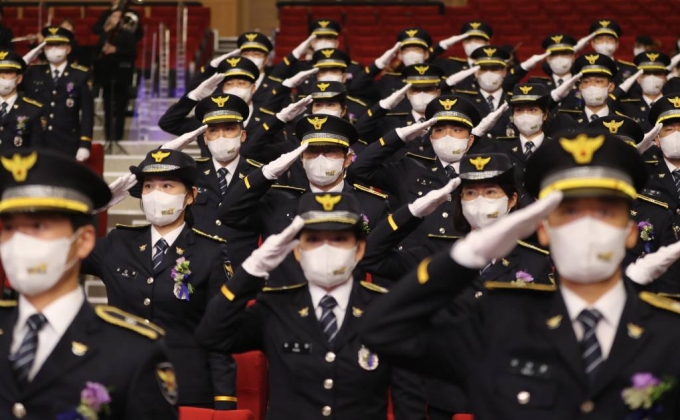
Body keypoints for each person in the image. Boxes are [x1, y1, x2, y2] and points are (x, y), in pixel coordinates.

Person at [361, 130, 680, 418]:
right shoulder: (503, 323)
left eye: (604, 212)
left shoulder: (671, 333)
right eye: (569, 212)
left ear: (630, 232)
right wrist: (467, 256)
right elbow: (384, 331)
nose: (586, 227)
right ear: (543, 230)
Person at [197, 192, 422, 420]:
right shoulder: (276, 306)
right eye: (313, 240)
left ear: (360, 249)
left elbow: (408, 402)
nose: (326, 249)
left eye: (339, 239)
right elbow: (213, 336)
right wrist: (251, 271)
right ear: (297, 250)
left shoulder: (386, 310)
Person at [361, 153, 552, 419]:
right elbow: (370, 257)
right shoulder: (438, 252)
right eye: (470, 193)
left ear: (511, 200)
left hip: (507, 397)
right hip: (442, 397)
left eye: (490, 192)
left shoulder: (535, 260)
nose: (479, 201)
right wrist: (414, 212)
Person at [0, 149, 177, 418]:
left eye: (38, 226)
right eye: (8, 228)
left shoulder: (133, 350)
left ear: (83, 241)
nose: (19, 242)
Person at [81, 149, 238, 410]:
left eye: (167, 186)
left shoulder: (209, 253)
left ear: (190, 196)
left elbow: (219, 334)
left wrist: (224, 403)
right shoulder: (118, 243)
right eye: (149, 186)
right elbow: (61, 257)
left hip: (185, 389)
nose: (156, 194)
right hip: (120, 383)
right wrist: (86, 211)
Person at [218, 115, 390, 286]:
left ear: (347, 160)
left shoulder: (371, 205)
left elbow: (382, 267)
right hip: (288, 300)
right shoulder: (279, 202)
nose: (320, 159)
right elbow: (229, 213)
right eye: (312, 152)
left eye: (329, 151)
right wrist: (266, 174)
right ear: (301, 159)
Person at [348, 95, 481, 244]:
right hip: (412, 257)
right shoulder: (410, 170)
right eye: (439, 130)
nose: (447, 137)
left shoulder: (481, 176)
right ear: (431, 138)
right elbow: (359, 169)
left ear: (470, 140)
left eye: (456, 130)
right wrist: (400, 136)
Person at [160, 94, 262, 270]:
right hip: (196, 268)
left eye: (229, 129)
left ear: (243, 135)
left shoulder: (259, 174)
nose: (221, 137)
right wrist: (166, 151)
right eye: (213, 131)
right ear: (205, 138)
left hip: (244, 269)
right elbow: (142, 188)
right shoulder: (191, 172)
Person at [159, 57, 275, 157]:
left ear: (253, 88)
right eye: (229, 84)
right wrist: (193, 97)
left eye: (241, 83)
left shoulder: (268, 119)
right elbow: (168, 123)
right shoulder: (207, 119)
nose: (235, 88)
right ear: (223, 88)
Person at [21, 26, 93, 161]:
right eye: (49, 45)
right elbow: (11, 79)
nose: (53, 49)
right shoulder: (33, 73)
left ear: (68, 49)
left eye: (58, 45)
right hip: (37, 141)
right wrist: (23, 62)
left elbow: (87, 113)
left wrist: (85, 143)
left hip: (67, 141)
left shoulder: (80, 75)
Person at [92, 2, 143, 141]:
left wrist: (116, 50)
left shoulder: (128, 34)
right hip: (106, 74)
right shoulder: (105, 34)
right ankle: (108, 136)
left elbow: (132, 53)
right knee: (107, 106)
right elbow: (96, 52)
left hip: (121, 75)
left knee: (120, 107)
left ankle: (118, 136)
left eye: (118, 17)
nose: (116, 19)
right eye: (114, 16)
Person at [349, 28, 433, 111]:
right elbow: (356, 88)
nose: (411, 53)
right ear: (400, 55)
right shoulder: (389, 80)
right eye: (406, 50)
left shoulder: (436, 80)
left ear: (426, 54)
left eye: (416, 49)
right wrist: (378, 64)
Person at [0, 50, 44, 152]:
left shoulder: (32, 110)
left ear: (19, 79)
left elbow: (36, 150)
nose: (1, 77)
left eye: (7, 73)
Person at [619, 52, 671, 132]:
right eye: (646, 73)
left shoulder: (673, 104)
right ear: (638, 78)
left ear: (665, 78)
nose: (652, 78)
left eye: (657, 73)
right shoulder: (626, 107)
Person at [588, 19, 638, 84]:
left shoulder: (630, 69)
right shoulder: (582, 69)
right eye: (600, 39)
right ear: (592, 44)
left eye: (610, 39)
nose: (605, 42)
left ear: (617, 44)